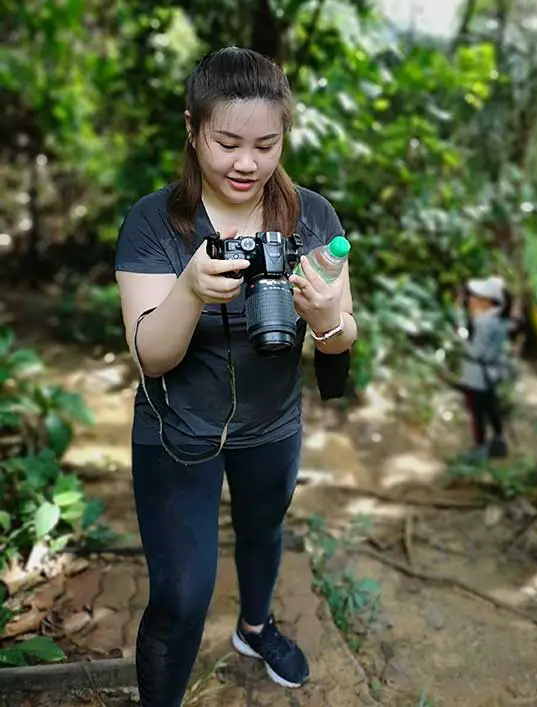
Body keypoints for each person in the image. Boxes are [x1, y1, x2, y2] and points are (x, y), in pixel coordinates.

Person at [114, 47, 357, 706]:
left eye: (266, 144)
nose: (246, 163)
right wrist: (191, 288)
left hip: (271, 422)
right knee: (179, 595)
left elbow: (341, 343)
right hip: (175, 430)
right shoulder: (153, 221)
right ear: (192, 129)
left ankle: (255, 627)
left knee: (263, 530)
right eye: (226, 142)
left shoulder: (312, 218)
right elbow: (152, 356)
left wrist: (330, 316)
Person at [456, 276, 512, 461]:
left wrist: (461, 336)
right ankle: (497, 443)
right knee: (491, 408)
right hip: (491, 373)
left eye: (476, 296)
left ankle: (480, 449)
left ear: (487, 301)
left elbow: (476, 352)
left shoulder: (484, 323)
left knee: (477, 412)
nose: (471, 300)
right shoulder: (498, 321)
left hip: (477, 375)